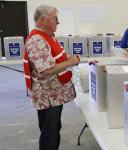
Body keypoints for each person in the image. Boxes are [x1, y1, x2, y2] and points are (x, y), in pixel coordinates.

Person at [23, 5, 80, 150]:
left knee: (54, 130)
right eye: (55, 19)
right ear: (43, 20)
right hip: (47, 98)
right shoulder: (37, 41)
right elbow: (46, 71)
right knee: (50, 135)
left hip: (54, 97)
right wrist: (71, 62)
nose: (58, 22)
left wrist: (68, 60)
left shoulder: (48, 37)